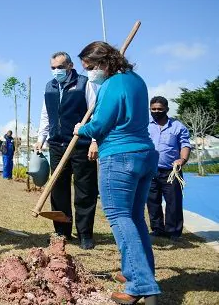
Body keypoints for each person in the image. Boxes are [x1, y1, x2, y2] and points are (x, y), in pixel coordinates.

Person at [74, 41, 160, 305]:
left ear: (101, 63)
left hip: (120, 156)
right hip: (144, 154)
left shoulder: (112, 85)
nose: (89, 73)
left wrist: (81, 129)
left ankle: (142, 286)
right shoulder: (137, 80)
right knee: (134, 217)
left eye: (89, 67)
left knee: (119, 217)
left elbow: (100, 124)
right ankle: (139, 271)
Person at [35, 51, 99, 250]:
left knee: (85, 190)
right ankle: (62, 232)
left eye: (60, 67)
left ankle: (85, 234)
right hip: (57, 145)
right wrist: (41, 138)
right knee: (58, 190)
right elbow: (46, 116)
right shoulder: (50, 86)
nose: (56, 71)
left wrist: (95, 140)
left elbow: (95, 112)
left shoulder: (84, 83)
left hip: (81, 144)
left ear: (70, 66)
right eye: (53, 68)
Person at [147, 96, 191, 241]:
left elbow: (185, 145)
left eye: (160, 109)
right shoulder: (145, 125)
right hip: (150, 170)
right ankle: (157, 229)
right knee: (152, 201)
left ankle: (173, 231)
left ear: (166, 109)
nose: (156, 111)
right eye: (153, 109)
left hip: (171, 172)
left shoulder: (178, 126)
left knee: (174, 202)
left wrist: (182, 159)